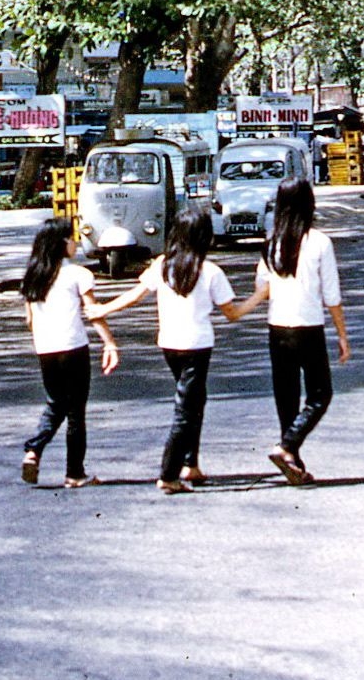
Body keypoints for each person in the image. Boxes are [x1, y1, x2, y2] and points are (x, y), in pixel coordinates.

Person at [95, 208, 264, 494]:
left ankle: (191, 464)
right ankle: (169, 474)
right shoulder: (209, 271)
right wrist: (261, 295)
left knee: (193, 401)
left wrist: (103, 308)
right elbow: (232, 313)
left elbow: (134, 296)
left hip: (169, 344)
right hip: (197, 346)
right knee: (186, 409)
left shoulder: (162, 265)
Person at [254, 176, 350, 486]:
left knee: (287, 396)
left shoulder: (271, 243)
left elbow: (261, 287)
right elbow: (331, 295)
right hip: (309, 326)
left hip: (277, 327)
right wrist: (342, 335)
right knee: (321, 393)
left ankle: (292, 458)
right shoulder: (319, 242)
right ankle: (287, 446)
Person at [19, 217, 119, 489]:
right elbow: (93, 312)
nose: (75, 242)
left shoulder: (33, 276)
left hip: (46, 349)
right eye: (71, 238)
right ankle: (75, 473)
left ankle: (34, 450)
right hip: (73, 347)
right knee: (75, 413)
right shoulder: (77, 274)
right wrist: (109, 342)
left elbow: (29, 320)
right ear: (62, 244)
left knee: (55, 403)